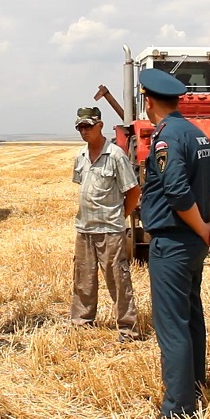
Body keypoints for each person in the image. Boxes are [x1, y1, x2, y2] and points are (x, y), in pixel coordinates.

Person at [138, 69, 210, 419]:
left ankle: (178, 409)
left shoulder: (167, 137)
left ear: (148, 101)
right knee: (191, 318)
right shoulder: (196, 133)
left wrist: (204, 226)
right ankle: (196, 385)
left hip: (173, 241)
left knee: (172, 325)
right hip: (194, 242)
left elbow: (176, 191)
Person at [70, 106, 141, 342]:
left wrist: (120, 216)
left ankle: (128, 329)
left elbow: (133, 191)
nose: (84, 131)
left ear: (100, 125)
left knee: (118, 280)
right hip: (85, 228)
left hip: (110, 229)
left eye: (88, 126)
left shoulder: (116, 155)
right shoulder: (80, 156)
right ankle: (82, 322)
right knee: (83, 279)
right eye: (80, 127)